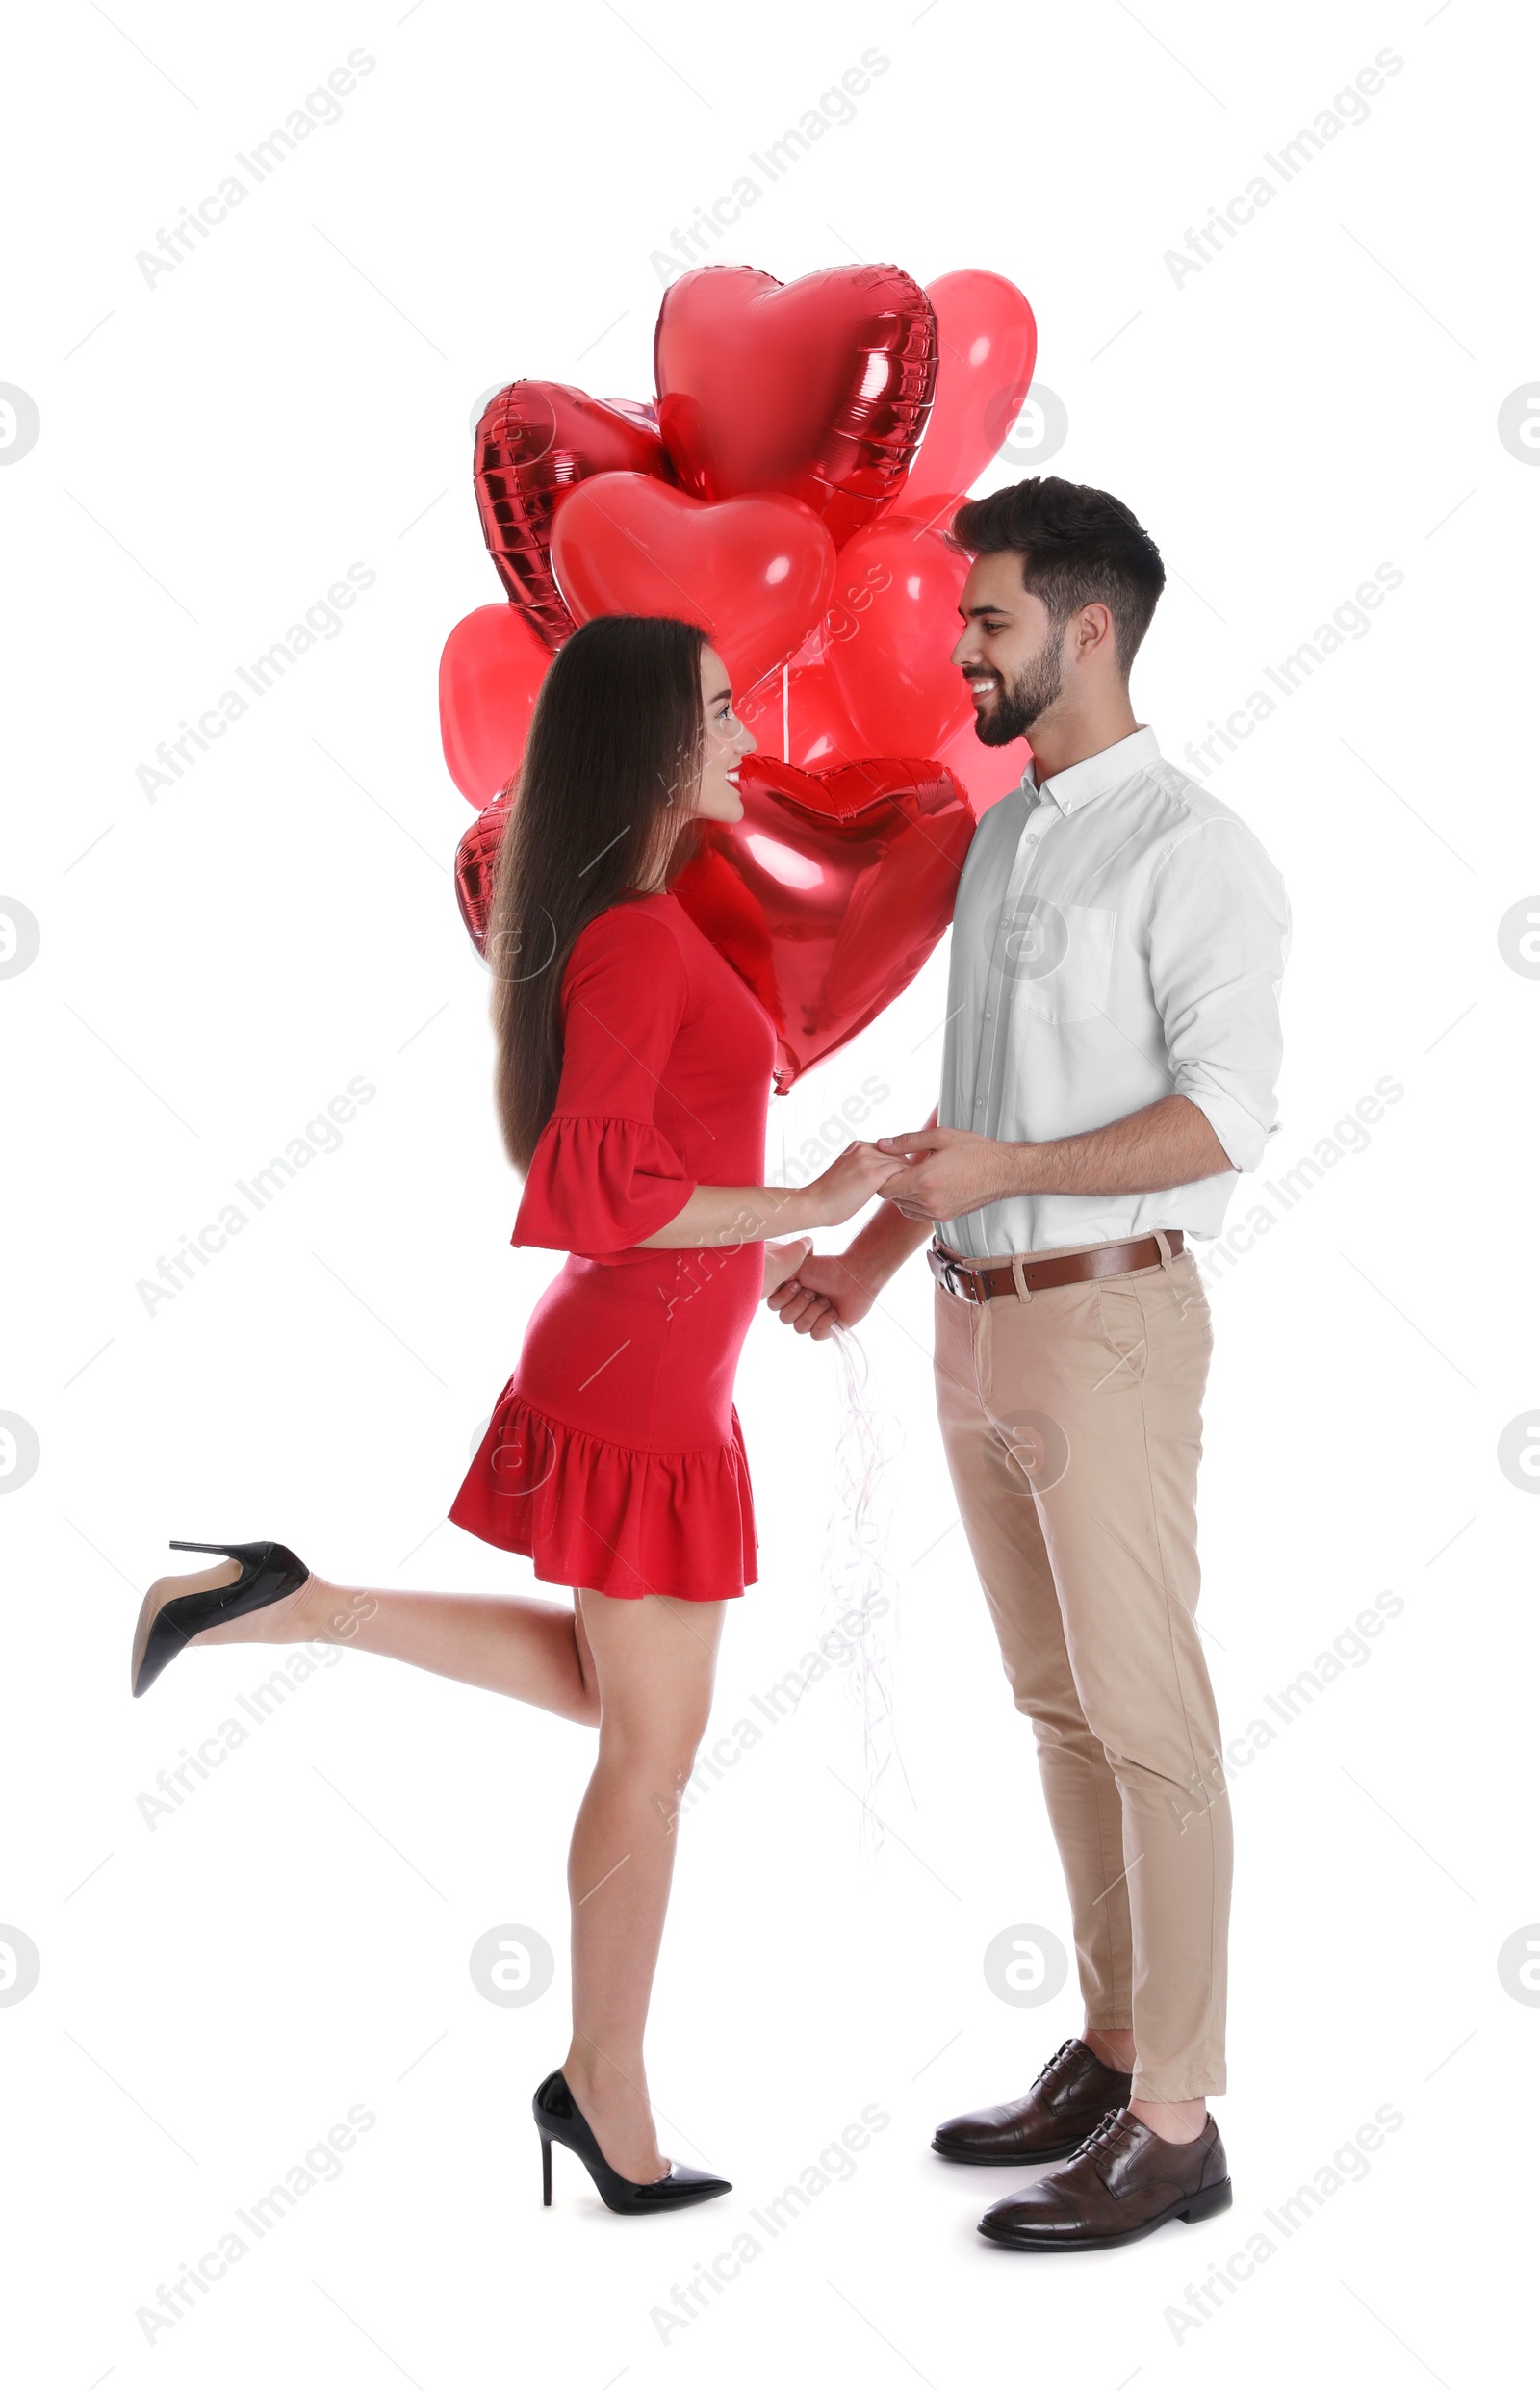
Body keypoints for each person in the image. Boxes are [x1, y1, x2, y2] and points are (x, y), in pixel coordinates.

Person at [130, 615, 900, 2217]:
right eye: (717, 714)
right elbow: (595, 1192)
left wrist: (789, 1259)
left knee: (624, 1714)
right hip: (630, 1371)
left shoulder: (651, 921)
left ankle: (275, 1598)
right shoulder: (626, 934)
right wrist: (807, 1192)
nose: (748, 739)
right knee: (651, 1754)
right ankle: (603, 2088)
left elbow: (669, 1165)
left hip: (668, 1363)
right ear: (653, 745)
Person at [770, 476, 1291, 2251]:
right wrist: (870, 1253)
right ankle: (1116, 2036)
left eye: (983, 621)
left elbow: (1223, 1122)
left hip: (1110, 1323)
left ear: (1086, 630)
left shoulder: (1195, 851)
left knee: (1152, 1722)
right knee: (1059, 1709)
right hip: (972, 1326)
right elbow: (981, 1117)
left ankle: (1180, 2123)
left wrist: (998, 1183)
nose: (957, 649)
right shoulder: (1007, 835)